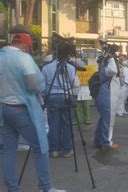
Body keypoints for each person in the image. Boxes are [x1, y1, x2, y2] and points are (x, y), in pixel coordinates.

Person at [0, 26, 65, 192]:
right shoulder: (24, 58)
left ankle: (12, 189)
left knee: (8, 151)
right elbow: (35, 85)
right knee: (41, 148)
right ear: (24, 41)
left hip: (4, 109)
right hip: (23, 109)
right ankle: (45, 187)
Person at [42, 51, 80, 158]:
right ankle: (66, 149)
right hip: (66, 96)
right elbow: (76, 84)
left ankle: (54, 149)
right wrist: (74, 96)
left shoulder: (47, 68)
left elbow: (41, 85)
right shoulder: (71, 68)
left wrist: (45, 96)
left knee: (53, 124)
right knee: (67, 124)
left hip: (52, 97)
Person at [94, 48, 120, 150]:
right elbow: (114, 70)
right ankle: (106, 142)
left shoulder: (103, 69)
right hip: (107, 97)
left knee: (103, 119)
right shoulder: (106, 69)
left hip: (104, 96)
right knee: (108, 120)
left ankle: (98, 140)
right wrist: (111, 59)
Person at [75, 60, 93, 125]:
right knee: (77, 107)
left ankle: (87, 119)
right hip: (77, 90)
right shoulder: (75, 71)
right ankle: (76, 120)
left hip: (86, 90)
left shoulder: (89, 70)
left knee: (86, 107)